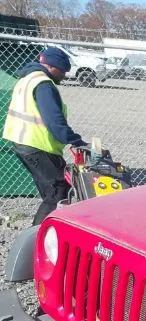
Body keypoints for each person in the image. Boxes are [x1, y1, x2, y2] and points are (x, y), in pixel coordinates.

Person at [2, 46, 88, 225]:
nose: (64, 75)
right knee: (58, 191)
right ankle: (36, 237)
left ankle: (46, 229)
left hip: (22, 141)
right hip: (36, 144)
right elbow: (54, 121)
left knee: (50, 191)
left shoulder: (27, 78)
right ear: (52, 66)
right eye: (63, 70)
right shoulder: (43, 85)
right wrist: (76, 141)